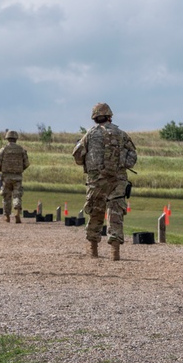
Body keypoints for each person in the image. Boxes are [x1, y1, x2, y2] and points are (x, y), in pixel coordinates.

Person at [72, 103, 137, 260]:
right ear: (110, 116)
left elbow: (77, 156)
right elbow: (132, 157)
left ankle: (93, 250)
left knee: (95, 212)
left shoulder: (90, 134)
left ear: (94, 118)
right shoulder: (121, 134)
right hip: (118, 180)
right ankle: (115, 252)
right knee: (115, 214)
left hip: (96, 181)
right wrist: (120, 163)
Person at [0, 130, 30, 223]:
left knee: (6, 196)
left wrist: (3, 170)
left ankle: (7, 216)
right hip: (17, 177)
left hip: (6, 177)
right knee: (17, 195)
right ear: (16, 139)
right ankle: (17, 211)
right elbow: (26, 163)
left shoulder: (3, 149)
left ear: (7, 138)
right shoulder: (21, 149)